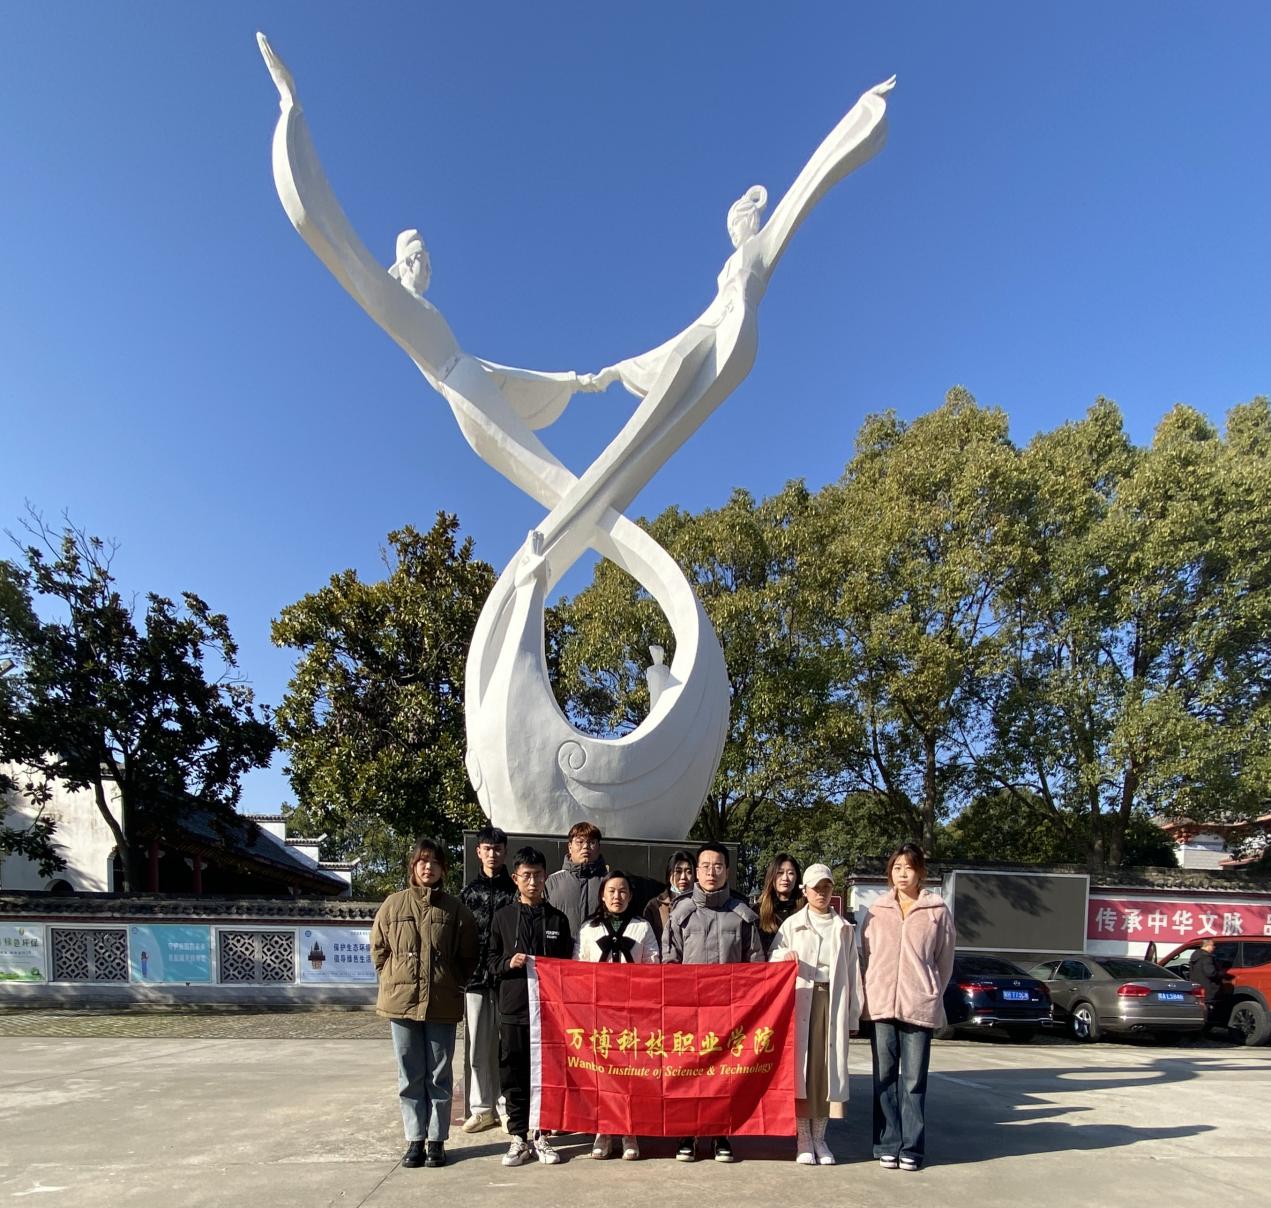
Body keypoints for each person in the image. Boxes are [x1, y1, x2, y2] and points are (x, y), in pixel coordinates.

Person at [370, 837, 478, 1169]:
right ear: (413, 867)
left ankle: (436, 1141)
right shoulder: (393, 905)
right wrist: (393, 978)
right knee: (410, 1073)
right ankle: (414, 1139)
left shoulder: (455, 910)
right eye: (422, 861)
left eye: (434, 862)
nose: (428, 867)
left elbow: (468, 955)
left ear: (443, 869)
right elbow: (379, 950)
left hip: (441, 1003)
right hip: (400, 1003)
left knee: (439, 1075)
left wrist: (451, 981)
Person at [663, 841, 764, 1163]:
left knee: (724, 1075)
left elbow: (755, 967)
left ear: (727, 871)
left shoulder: (741, 915)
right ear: (696, 872)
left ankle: (721, 1133)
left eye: (717, 866)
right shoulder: (681, 914)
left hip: (729, 1013)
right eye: (705, 866)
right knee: (688, 1073)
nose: (711, 872)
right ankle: (687, 1133)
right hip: (689, 1012)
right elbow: (669, 964)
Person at [859, 843, 955, 1173]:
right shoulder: (877, 910)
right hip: (882, 1004)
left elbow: (945, 961)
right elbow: (866, 954)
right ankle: (887, 1144)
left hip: (918, 1004)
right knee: (884, 1078)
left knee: (914, 1081)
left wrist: (930, 991)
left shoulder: (937, 911)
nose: (902, 874)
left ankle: (912, 1148)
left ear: (920, 872)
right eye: (897, 867)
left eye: (909, 868)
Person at [769, 864, 861, 1165]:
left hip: (832, 1000)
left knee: (825, 1071)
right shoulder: (792, 925)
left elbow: (853, 971)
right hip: (801, 1000)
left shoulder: (843, 928)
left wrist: (853, 1015)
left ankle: (821, 1138)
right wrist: (784, 957)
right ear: (805, 891)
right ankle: (803, 1139)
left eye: (826, 887)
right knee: (801, 1070)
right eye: (816, 888)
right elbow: (772, 958)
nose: (821, 893)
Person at [488, 846, 574, 1167]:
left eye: (538, 875)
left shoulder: (558, 920)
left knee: (545, 1075)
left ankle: (542, 1134)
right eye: (527, 876)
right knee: (514, 1073)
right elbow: (490, 962)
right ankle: (518, 1136)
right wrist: (508, 962)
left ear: (546, 877)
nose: (533, 882)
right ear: (515, 879)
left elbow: (567, 968)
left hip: (548, 1014)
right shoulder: (503, 918)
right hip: (514, 1009)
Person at [574, 870, 660, 1160]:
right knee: (601, 1072)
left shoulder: (642, 927)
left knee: (630, 1072)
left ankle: (629, 1131)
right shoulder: (589, 929)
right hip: (599, 1012)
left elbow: (653, 967)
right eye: (611, 891)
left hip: (632, 1012)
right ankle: (603, 1130)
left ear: (630, 895)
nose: (617, 896)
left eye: (623, 891)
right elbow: (578, 967)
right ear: (602, 895)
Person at [459, 824, 517, 1133]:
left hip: (508, 979)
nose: (492, 854)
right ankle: (482, 1108)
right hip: (476, 981)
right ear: (478, 852)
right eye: (487, 849)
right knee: (478, 1047)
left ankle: (506, 1108)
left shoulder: (515, 892)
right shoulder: (468, 893)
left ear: (505, 852)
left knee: (507, 1048)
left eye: (497, 849)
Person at [544, 822, 607, 935]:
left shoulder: (610, 882)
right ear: (570, 847)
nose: (585, 847)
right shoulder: (551, 882)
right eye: (580, 842)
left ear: (599, 847)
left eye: (592, 842)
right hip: (562, 945)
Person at [754, 852, 805, 956]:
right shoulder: (757, 911)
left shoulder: (806, 909)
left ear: (797, 877)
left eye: (791, 873)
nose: (785, 878)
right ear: (771, 876)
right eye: (780, 873)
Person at [642, 849, 695, 947]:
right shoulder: (655, 906)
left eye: (689, 872)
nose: (683, 877)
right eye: (678, 871)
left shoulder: (702, 904)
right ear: (669, 874)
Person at [1188, 938, 1226, 1029]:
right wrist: (1222, 974)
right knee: (1206, 1010)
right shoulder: (1207, 957)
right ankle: (1202, 1029)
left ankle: (1195, 1028)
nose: (1214, 947)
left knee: (1198, 1007)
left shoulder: (1195, 955)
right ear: (1208, 946)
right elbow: (1210, 973)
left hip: (1196, 986)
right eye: (1213, 945)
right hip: (1208, 987)